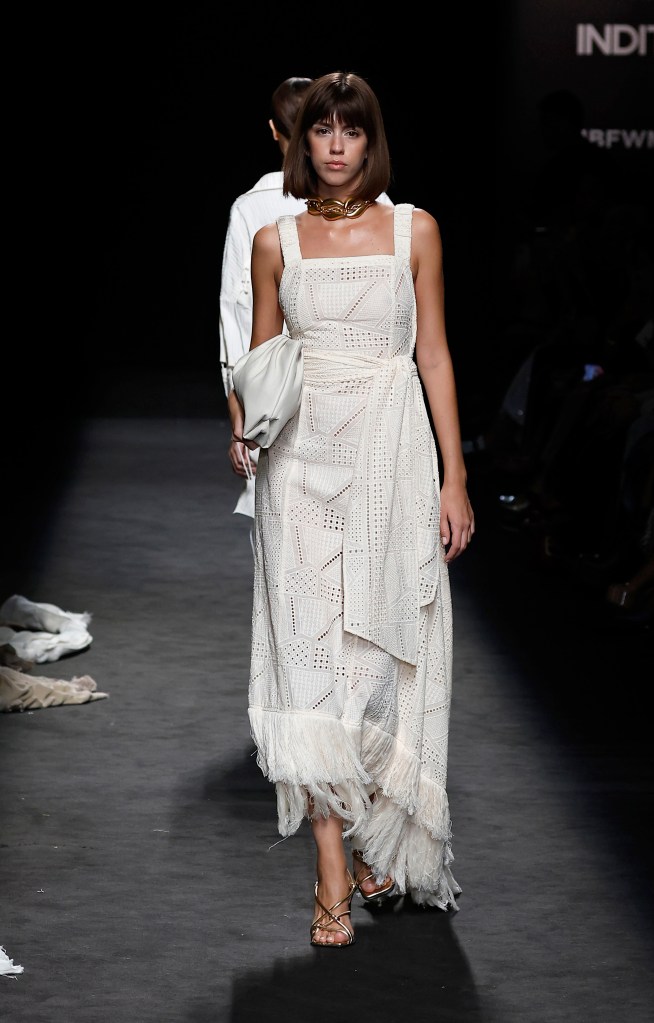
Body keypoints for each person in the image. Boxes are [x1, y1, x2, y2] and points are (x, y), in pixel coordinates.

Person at [227, 71, 474, 948]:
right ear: (303, 143)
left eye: (352, 130)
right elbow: (260, 359)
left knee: (374, 665)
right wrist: (242, 427)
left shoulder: (415, 231)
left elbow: (434, 354)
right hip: (298, 466)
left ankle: (372, 828)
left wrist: (455, 476)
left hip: (391, 459)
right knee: (309, 668)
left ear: (373, 141)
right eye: (322, 130)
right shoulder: (276, 240)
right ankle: (331, 865)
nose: (336, 145)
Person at [219, 76, 313, 517]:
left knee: (283, 534)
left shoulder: (251, 208)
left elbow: (236, 313)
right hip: (359, 391)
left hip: (277, 397)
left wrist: (238, 405)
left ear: (274, 129)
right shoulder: (380, 205)